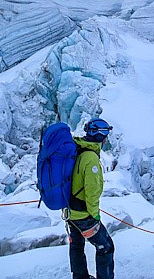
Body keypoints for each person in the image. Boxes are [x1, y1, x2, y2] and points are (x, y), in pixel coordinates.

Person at [67, 118, 115, 279]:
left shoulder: (78, 150)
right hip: (83, 215)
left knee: (77, 246)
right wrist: (95, 215)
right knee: (106, 247)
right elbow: (92, 191)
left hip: (70, 212)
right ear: (101, 136)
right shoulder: (91, 158)